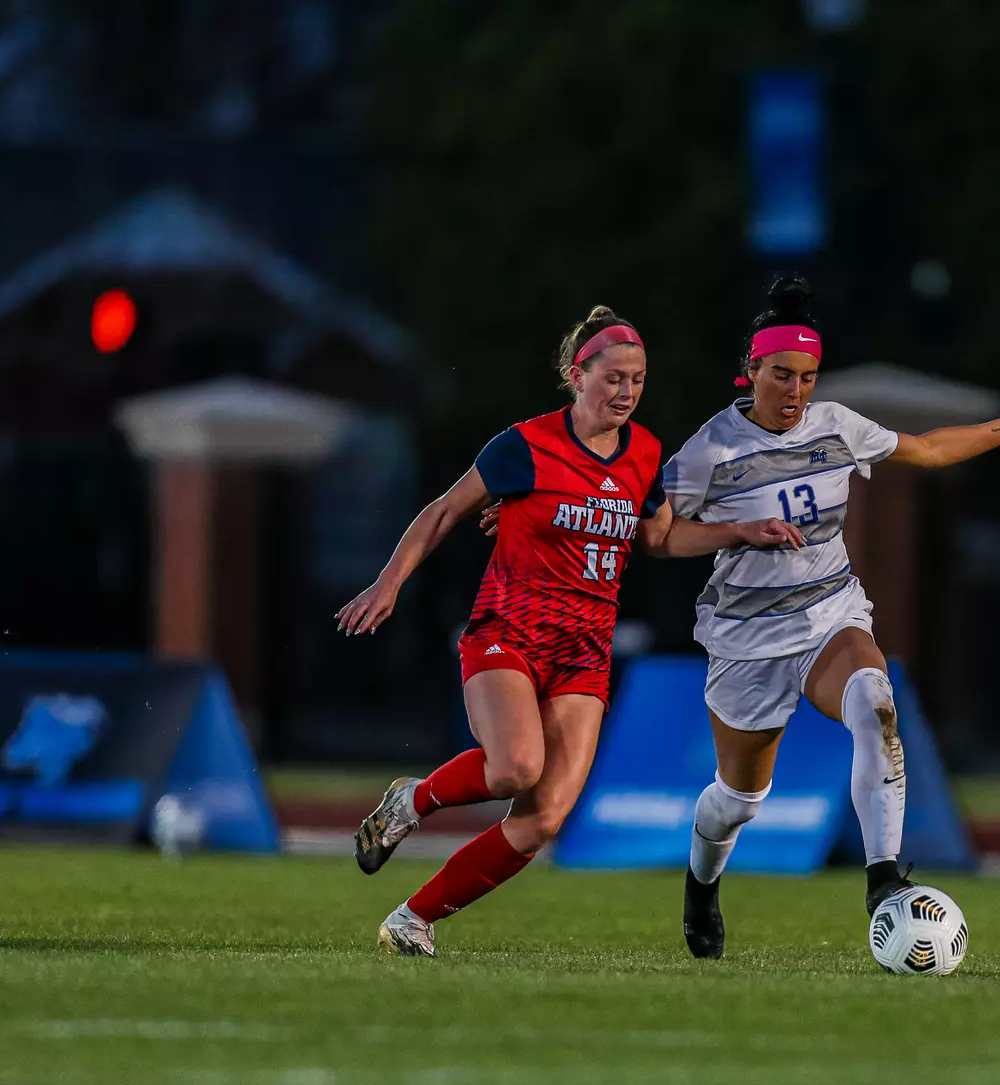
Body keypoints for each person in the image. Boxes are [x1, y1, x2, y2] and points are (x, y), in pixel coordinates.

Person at [335, 305, 803, 957]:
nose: (626, 392)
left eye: (637, 380)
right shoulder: (523, 445)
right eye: (613, 378)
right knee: (515, 768)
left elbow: (660, 538)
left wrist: (741, 530)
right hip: (509, 630)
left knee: (543, 818)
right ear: (577, 376)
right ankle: (413, 801)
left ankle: (412, 919)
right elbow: (443, 512)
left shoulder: (643, 452)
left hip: (583, 650)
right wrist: (389, 582)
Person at [662, 276, 1000, 958]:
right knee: (738, 799)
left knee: (875, 703)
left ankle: (882, 878)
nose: (795, 391)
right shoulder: (710, 451)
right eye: (781, 376)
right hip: (747, 640)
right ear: (750, 372)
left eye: (807, 377)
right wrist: (739, 533)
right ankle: (700, 888)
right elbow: (659, 536)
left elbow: (930, 450)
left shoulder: (836, 425)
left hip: (829, 614)